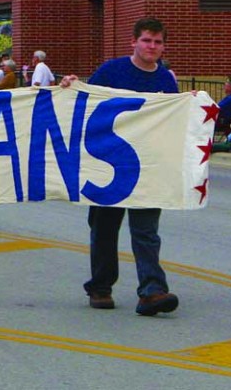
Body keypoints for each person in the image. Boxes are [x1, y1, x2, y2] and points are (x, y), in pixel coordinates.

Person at [60, 17, 179, 316]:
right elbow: (84, 101)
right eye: (147, 40)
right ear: (134, 42)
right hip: (107, 165)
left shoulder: (166, 80)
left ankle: (152, 291)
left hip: (147, 169)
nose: (152, 46)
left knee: (146, 231)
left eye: (158, 42)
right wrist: (69, 86)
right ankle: (100, 287)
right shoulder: (112, 71)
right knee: (104, 228)